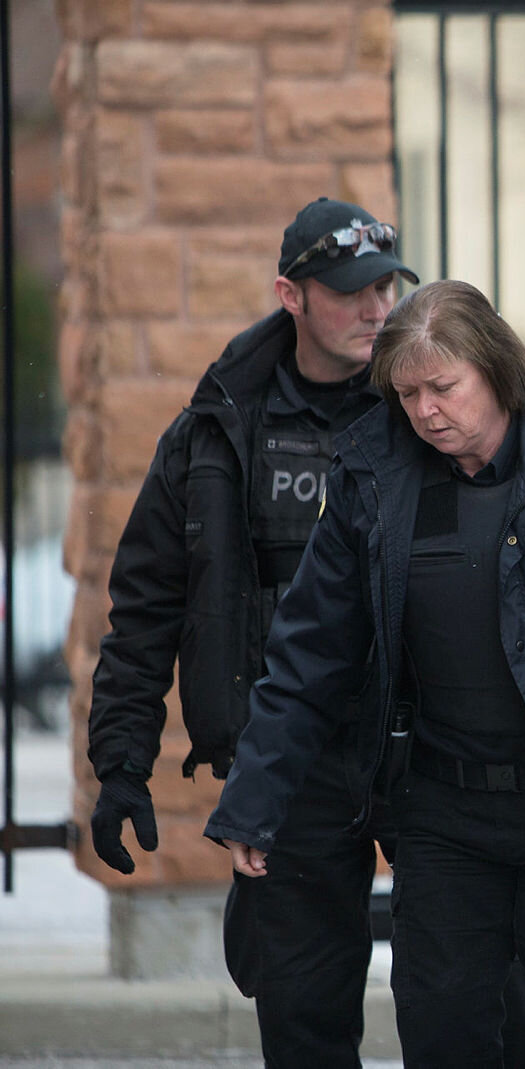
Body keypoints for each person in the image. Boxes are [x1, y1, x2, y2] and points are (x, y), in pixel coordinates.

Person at [203, 278, 525, 1068]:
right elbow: (310, 650)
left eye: (443, 386)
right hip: (443, 817)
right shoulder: (373, 481)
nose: (425, 410)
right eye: (407, 393)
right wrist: (254, 800)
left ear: (496, 370)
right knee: (443, 1038)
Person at [85, 197, 422, 1066]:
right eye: (350, 291)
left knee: (472, 1006)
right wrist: (121, 762)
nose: (376, 308)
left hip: (419, 747)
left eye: (386, 287)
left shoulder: (423, 408)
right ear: (291, 296)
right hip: (289, 761)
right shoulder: (218, 428)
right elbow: (147, 607)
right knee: (303, 1017)